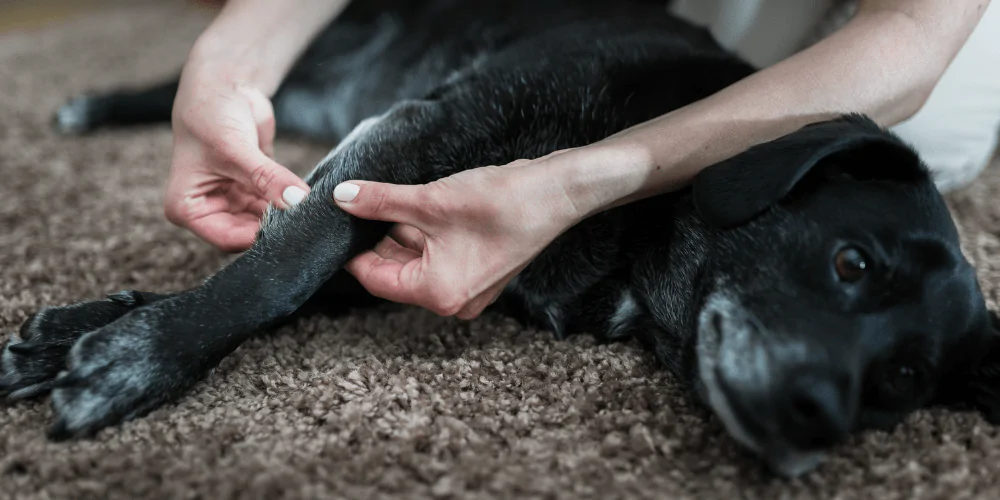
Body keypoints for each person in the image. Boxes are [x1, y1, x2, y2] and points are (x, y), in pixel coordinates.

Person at [168, 0, 999, 320]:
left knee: (877, 156)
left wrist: (580, 177)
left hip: (887, 38)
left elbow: (911, 39)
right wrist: (229, 64)